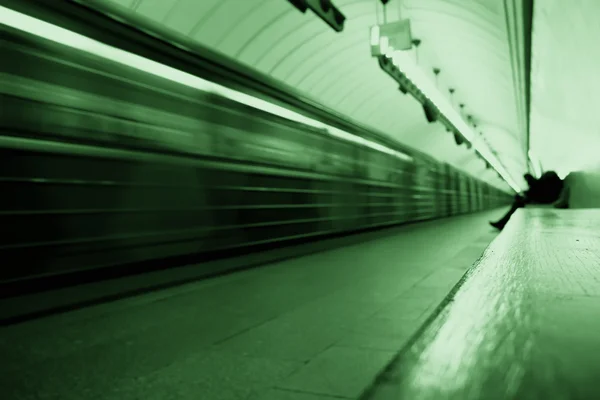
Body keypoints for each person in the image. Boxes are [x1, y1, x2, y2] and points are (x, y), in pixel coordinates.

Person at [489, 170, 565, 230]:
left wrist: (525, 195)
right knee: (519, 202)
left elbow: (537, 192)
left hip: (546, 200)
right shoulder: (545, 181)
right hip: (547, 198)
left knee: (518, 203)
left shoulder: (542, 182)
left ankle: (502, 223)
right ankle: (502, 222)